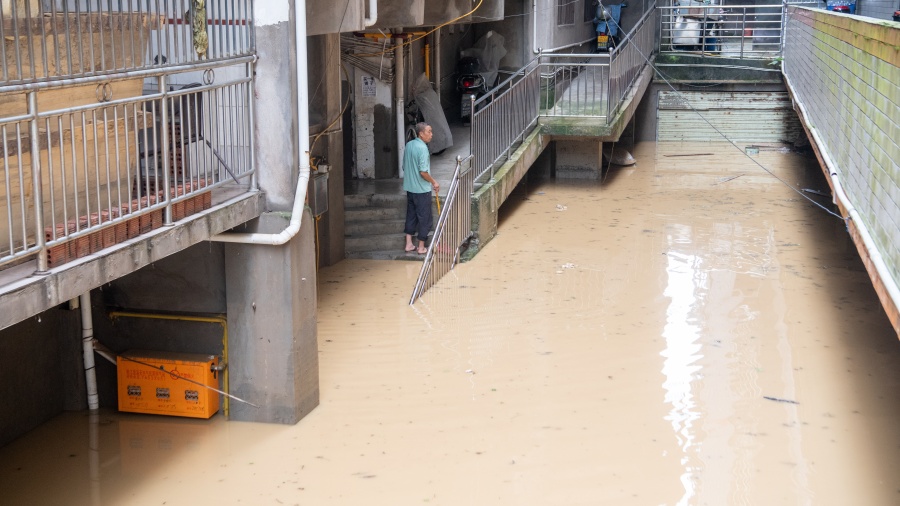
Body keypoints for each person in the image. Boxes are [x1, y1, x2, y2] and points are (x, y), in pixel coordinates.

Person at [403, 122, 440, 254]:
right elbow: (423, 172)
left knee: (411, 216)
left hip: (410, 188)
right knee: (425, 218)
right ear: (421, 134)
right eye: (429, 132)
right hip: (422, 190)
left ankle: (409, 244)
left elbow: (404, 167)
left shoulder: (409, 145)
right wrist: (434, 182)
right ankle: (421, 247)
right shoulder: (423, 148)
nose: (431, 134)